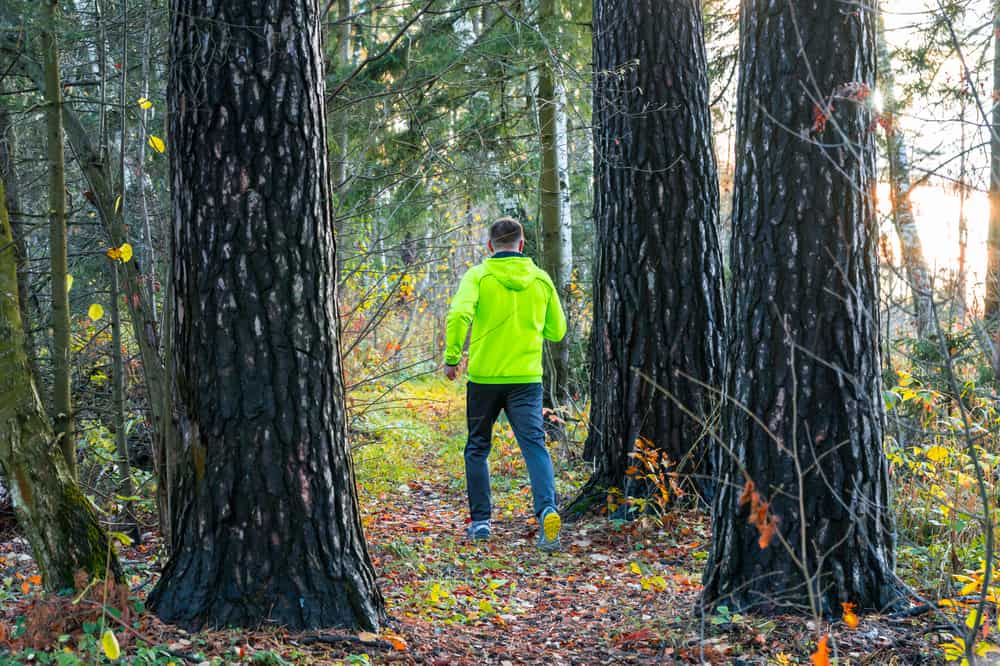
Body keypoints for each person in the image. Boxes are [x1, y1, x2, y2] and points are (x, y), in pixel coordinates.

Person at [444, 217, 567, 552]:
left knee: (477, 448)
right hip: (526, 379)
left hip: (484, 379)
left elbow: (458, 315)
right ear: (522, 245)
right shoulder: (541, 280)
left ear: (490, 246)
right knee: (534, 447)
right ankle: (547, 513)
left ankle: (481, 522)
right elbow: (557, 331)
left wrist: (453, 357)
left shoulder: (479, 276)